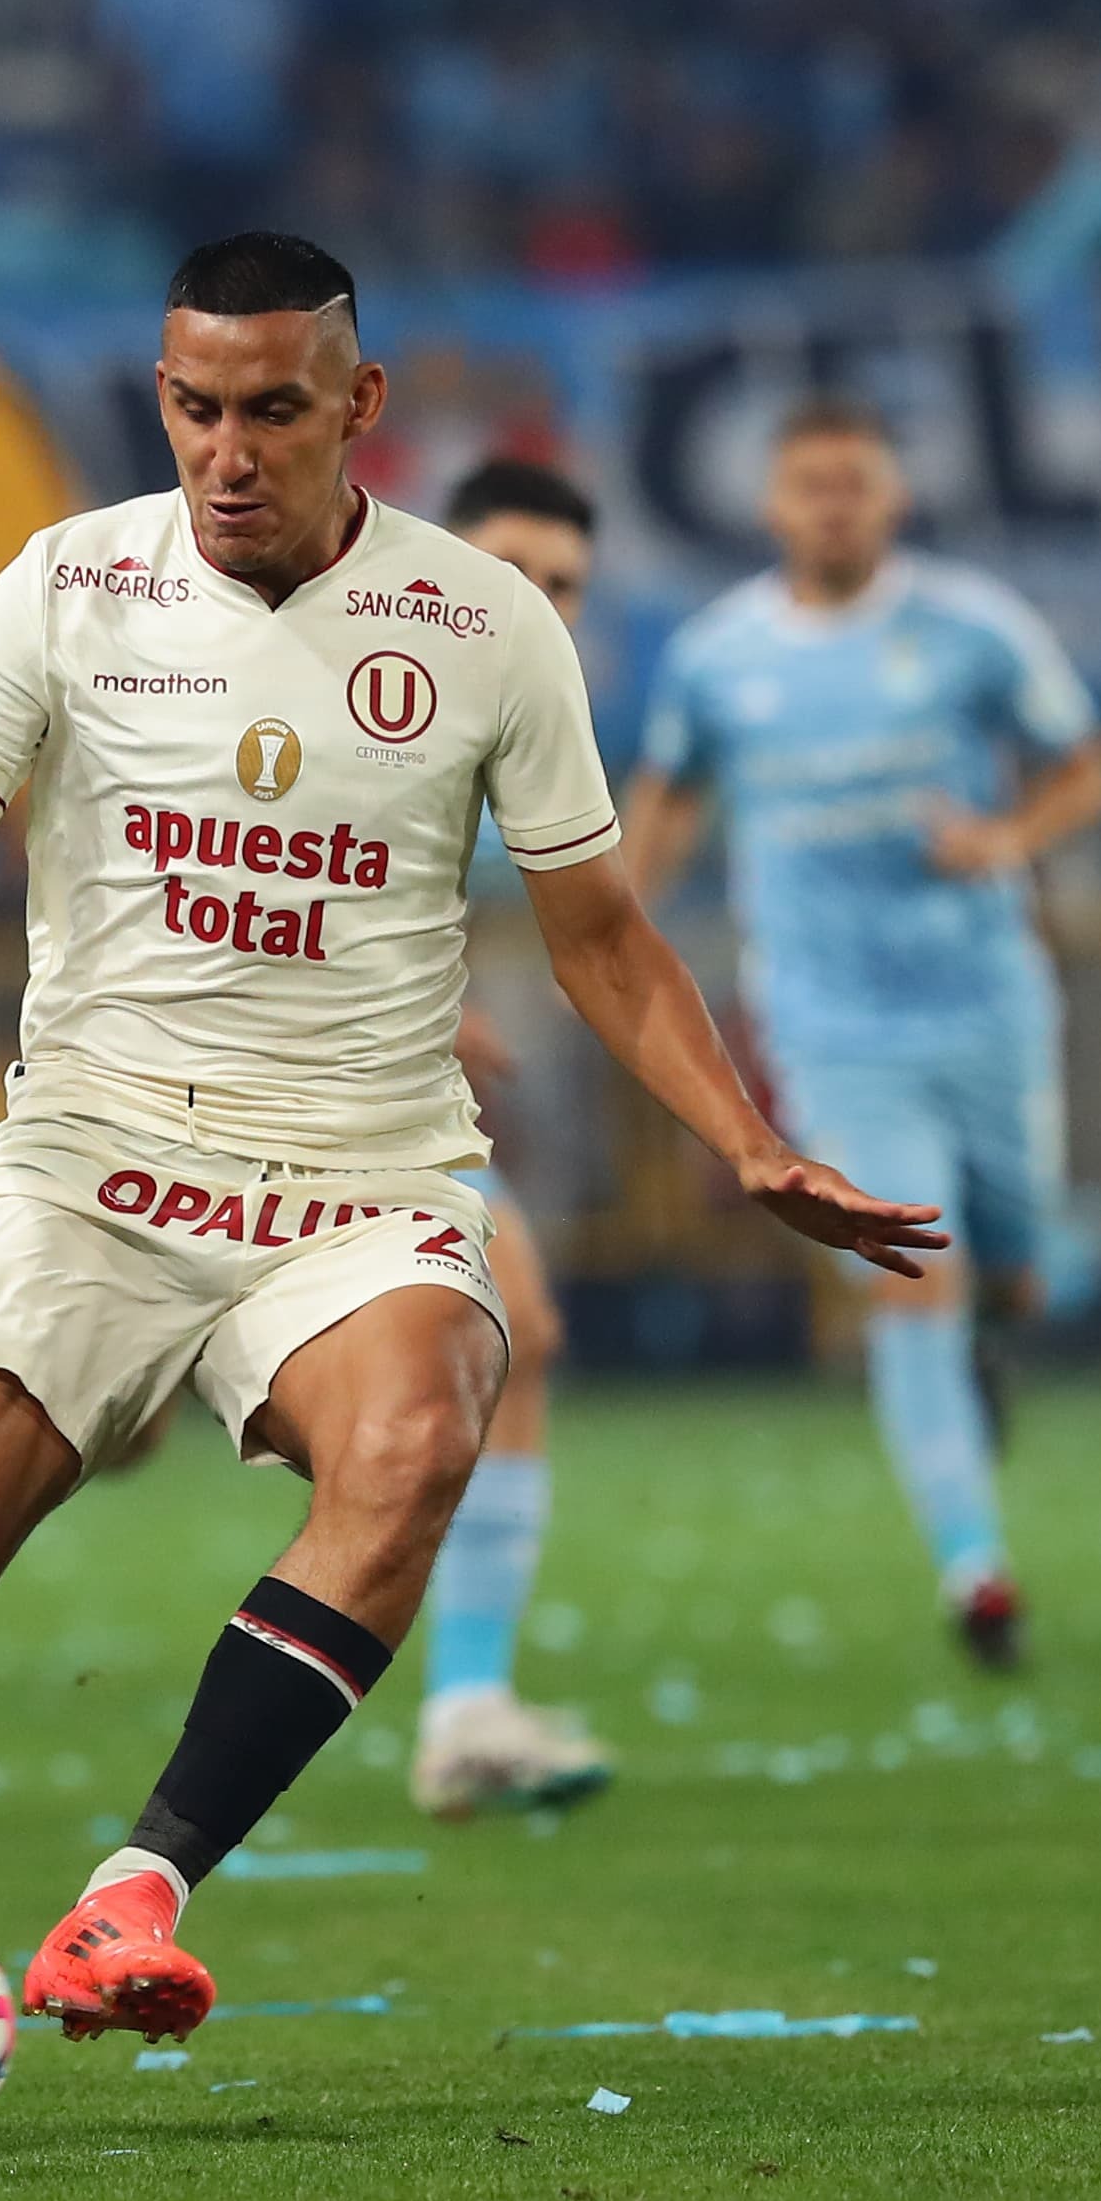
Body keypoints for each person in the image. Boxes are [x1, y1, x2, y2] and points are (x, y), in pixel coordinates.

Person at [0, 234, 936, 2145]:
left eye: (274, 410)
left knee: (421, 1428)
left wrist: (746, 1137)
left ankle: (138, 1891)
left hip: (362, 1178)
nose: (229, 449)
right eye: (195, 406)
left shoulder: (485, 627)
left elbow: (607, 938)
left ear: (358, 407)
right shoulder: (69, 585)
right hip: (88, 1165)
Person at [628, 393, 1101, 1672]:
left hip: (985, 1004)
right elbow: (666, 806)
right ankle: (975, 1568)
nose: (832, 504)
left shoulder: (971, 630)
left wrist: (1004, 840)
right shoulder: (716, 657)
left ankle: (991, 1347)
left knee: (1010, 1267)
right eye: (810, 485)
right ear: (772, 503)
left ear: (891, 497)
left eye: (855, 483)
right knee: (915, 1275)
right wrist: (611, 920)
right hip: (832, 1025)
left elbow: (1084, 769)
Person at [411, 455, 613, 1820]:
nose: (542, 602)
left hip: (398, 1108)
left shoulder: (533, 720)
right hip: (250, 1093)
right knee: (95, 1409)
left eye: (566, 586)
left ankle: (466, 1707)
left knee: (513, 1332)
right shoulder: (367, 697)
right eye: (515, 575)